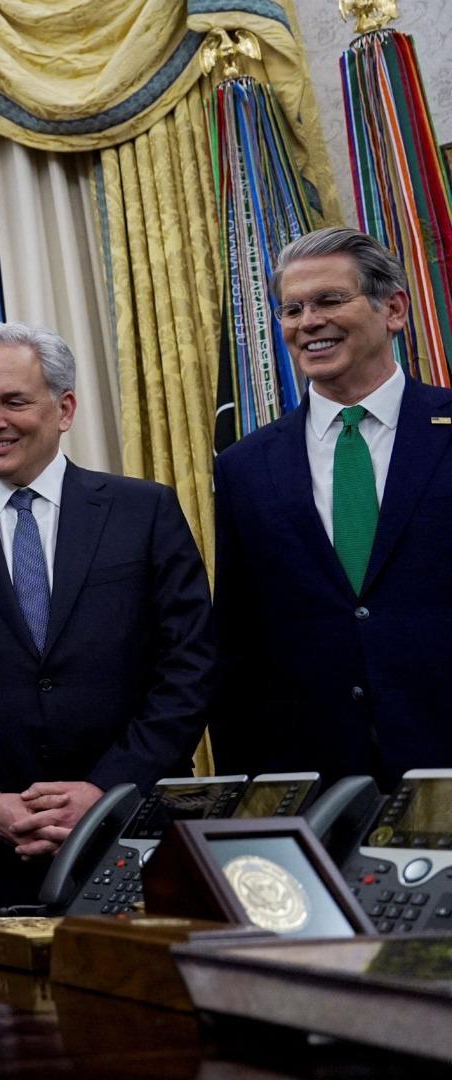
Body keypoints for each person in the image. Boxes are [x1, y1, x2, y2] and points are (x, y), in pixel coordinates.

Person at [0, 323, 214, 920]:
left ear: (64, 410)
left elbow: (190, 664)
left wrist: (107, 790)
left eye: (13, 401)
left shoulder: (144, 511)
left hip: (136, 834)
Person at [212, 228, 452, 785]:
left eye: (329, 300)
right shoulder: (246, 466)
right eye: (292, 309)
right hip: (317, 784)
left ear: (394, 310)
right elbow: (237, 646)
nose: (308, 322)